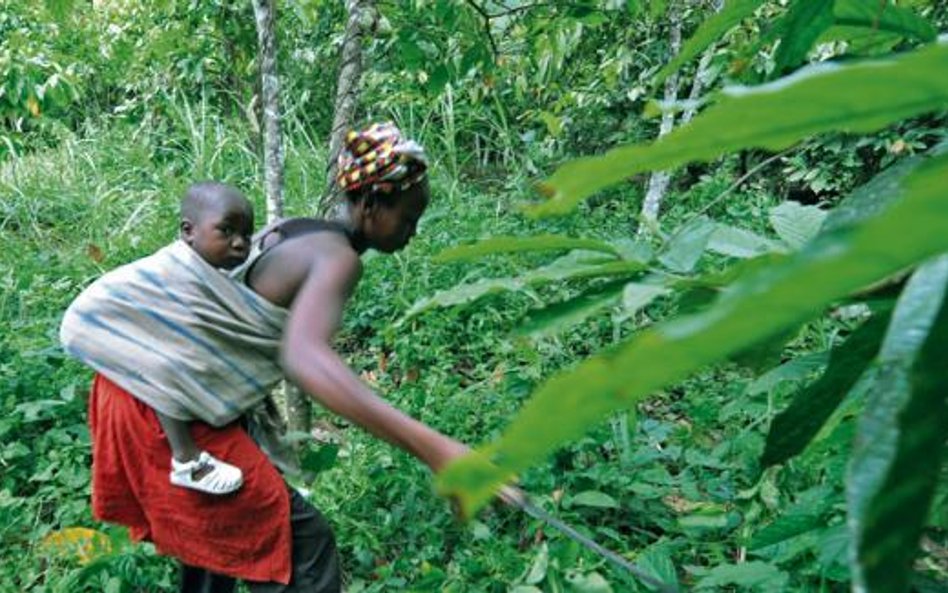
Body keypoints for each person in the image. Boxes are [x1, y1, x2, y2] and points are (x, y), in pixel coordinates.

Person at [61, 123, 479, 592]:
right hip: (162, 405)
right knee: (301, 545)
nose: (412, 232)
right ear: (370, 204)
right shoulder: (339, 259)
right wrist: (436, 448)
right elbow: (304, 358)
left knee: (218, 539)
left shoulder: (295, 229)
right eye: (407, 218)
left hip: (139, 395)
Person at [157, 182, 254, 495]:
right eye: (226, 231)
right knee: (168, 361)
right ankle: (186, 460)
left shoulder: (209, 269)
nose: (240, 243)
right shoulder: (176, 274)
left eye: (246, 235)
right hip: (143, 374)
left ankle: (267, 469)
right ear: (188, 231)